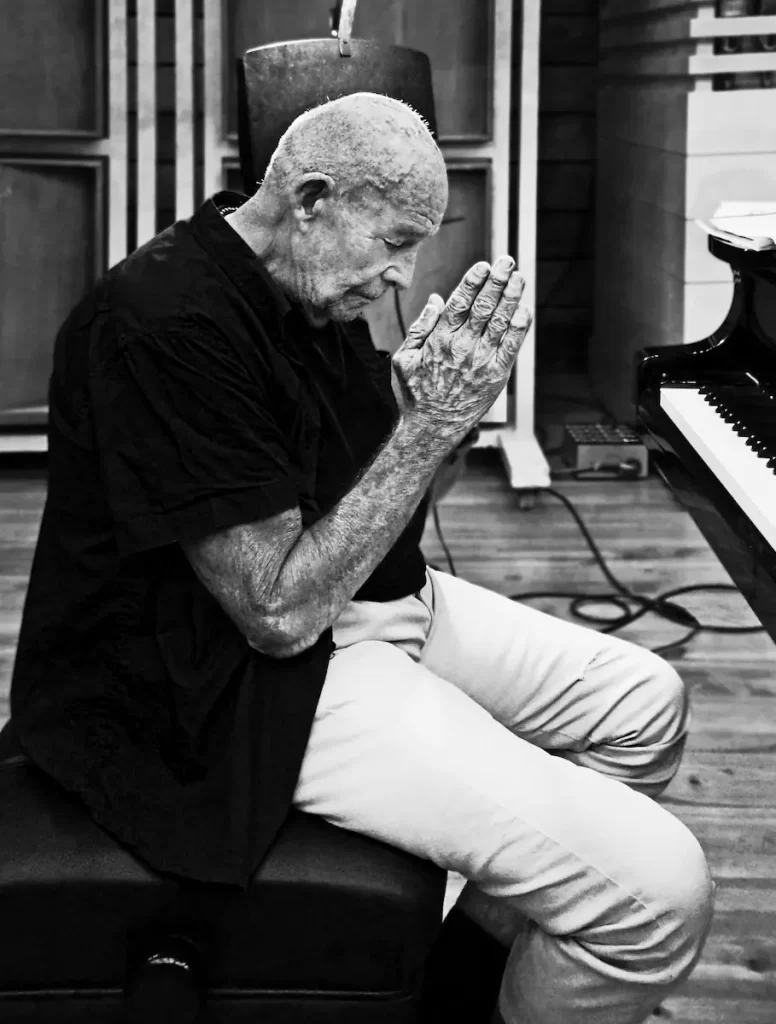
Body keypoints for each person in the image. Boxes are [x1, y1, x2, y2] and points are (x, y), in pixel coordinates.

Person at [10, 92, 714, 1024]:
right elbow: (276, 613)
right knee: (662, 895)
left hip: (354, 604)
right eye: (394, 241)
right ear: (311, 199)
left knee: (645, 705)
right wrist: (426, 427)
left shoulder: (303, 281)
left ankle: (469, 982)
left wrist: (437, 420)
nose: (402, 276)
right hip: (222, 681)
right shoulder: (165, 326)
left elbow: (389, 502)